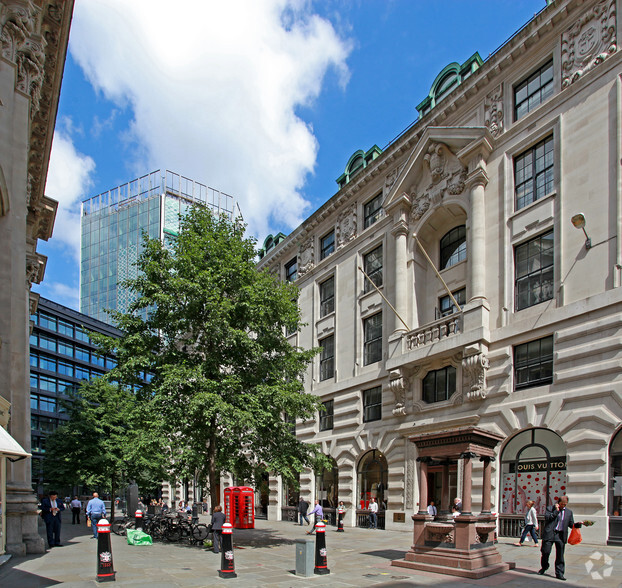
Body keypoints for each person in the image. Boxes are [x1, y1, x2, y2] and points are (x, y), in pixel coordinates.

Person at [539, 496, 575, 581]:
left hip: (560, 535)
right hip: (550, 534)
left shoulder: (569, 512)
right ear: (558, 503)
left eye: (565, 504)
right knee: (545, 551)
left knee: (560, 555)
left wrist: (578, 525)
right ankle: (544, 566)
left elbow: (571, 524)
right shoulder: (550, 508)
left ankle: (560, 573)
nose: (563, 506)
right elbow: (548, 518)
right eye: (562, 504)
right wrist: (556, 511)